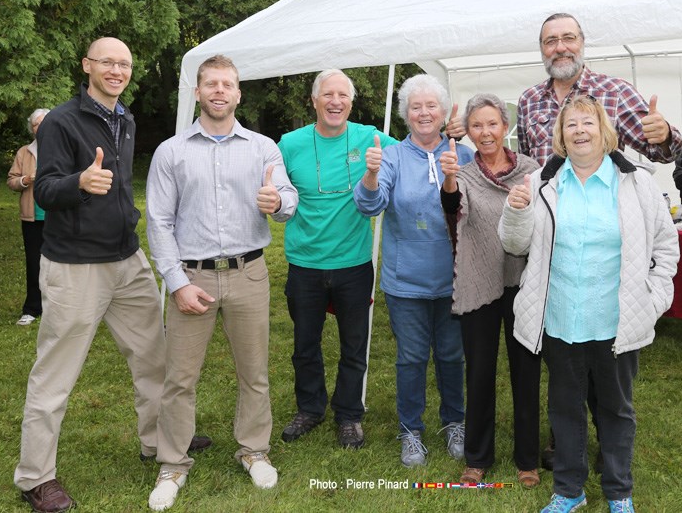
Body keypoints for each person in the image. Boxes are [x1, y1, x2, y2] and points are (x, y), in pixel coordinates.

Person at [13, 37, 209, 513]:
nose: (117, 70)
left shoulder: (125, 118)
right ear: (87, 66)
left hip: (127, 259)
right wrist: (80, 183)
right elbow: (46, 188)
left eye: (124, 64)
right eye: (108, 62)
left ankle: (157, 443)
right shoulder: (62, 120)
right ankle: (36, 478)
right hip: (75, 267)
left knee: (153, 358)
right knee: (55, 375)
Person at [499, 95, 678, 513]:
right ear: (561, 136)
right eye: (571, 125)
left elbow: (666, 247)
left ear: (604, 132)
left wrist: (653, 299)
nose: (580, 131)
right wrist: (515, 211)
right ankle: (569, 491)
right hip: (561, 319)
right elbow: (513, 245)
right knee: (564, 410)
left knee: (616, 409)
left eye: (588, 123)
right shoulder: (542, 185)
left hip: (618, 319)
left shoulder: (636, 185)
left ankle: (619, 493)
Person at [145, 55, 298, 511]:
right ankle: (172, 462)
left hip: (249, 274)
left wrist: (278, 201)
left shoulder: (263, 147)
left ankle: (254, 450)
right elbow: (158, 222)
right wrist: (176, 282)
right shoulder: (171, 151)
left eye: (227, 84)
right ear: (197, 93)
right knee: (179, 379)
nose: (218, 91)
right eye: (210, 84)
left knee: (254, 373)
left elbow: (288, 198)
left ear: (237, 94)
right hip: (192, 277)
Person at [276, 69, 400, 450]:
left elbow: (417, 149)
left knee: (354, 344)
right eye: (327, 94)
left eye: (342, 95)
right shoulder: (289, 143)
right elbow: (273, 186)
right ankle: (310, 408)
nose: (335, 101)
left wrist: (453, 133)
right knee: (304, 344)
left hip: (354, 262)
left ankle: (349, 415)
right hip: (306, 262)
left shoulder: (371, 138)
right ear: (313, 101)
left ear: (351, 101)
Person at [354, 74, 473, 467]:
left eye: (431, 106)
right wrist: (370, 174)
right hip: (406, 283)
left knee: (453, 356)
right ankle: (411, 430)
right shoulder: (390, 157)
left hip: (455, 281)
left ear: (443, 113)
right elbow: (370, 206)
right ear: (406, 114)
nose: (424, 113)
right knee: (410, 358)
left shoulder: (463, 154)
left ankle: (455, 422)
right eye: (416, 107)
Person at [439, 93, 542, 487]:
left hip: (524, 284)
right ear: (469, 129)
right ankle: (478, 458)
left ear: (505, 126)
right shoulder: (463, 174)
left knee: (526, 372)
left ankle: (527, 459)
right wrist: (449, 178)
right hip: (478, 282)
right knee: (480, 373)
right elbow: (452, 210)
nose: (485, 133)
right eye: (477, 125)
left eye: (492, 124)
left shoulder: (531, 170)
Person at [515, 12, 682, 166]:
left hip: (601, 198)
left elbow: (665, 154)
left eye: (568, 38)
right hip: (547, 199)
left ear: (582, 43)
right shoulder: (529, 100)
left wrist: (664, 137)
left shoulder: (616, 92)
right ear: (542, 49)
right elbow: (528, 164)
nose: (560, 48)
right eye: (550, 41)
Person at [7, 108, 50, 326]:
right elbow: (12, 181)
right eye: (36, 124)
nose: (40, 127)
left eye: (44, 122)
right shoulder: (24, 152)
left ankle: (57, 307)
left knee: (61, 263)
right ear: (31, 129)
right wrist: (27, 179)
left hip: (60, 216)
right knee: (34, 263)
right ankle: (32, 308)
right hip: (33, 217)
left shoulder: (64, 147)